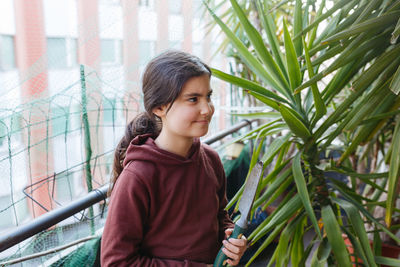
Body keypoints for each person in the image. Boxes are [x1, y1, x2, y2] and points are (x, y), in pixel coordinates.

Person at [101, 50, 247, 266]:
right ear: (159, 107)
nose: (206, 109)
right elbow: (116, 262)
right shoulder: (138, 177)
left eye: (208, 96)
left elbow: (220, 217)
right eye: (193, 99)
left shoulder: (211, 160)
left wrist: (231, 241)